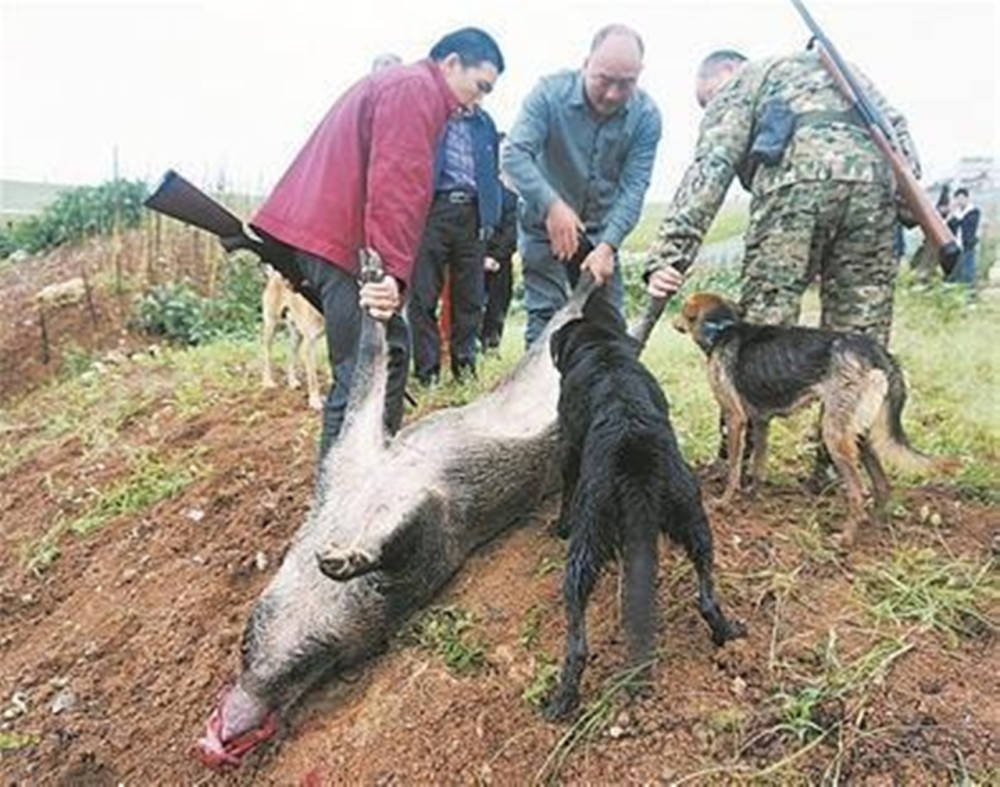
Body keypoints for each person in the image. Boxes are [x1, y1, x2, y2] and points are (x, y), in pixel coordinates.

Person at [644, 47, 921, 484]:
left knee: (760, 332)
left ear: (726, 72)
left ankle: (742, 456)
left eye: (708, 100)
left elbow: (712, 165)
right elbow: (899, 134)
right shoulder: (852, 69)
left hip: (795, 185)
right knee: (859, 338)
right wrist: (907, 198)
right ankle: (836, 465)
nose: (710, 110)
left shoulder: (747, 78)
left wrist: (668, 255)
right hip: (873, 186)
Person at [250, 28, 505, 461]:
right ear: (451, 64)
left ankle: (374, 469)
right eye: (479, 86)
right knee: (364, 371)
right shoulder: (415, 91)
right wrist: (388, 274)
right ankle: (340, 500)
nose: (478, 100)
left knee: (393, 351)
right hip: (335, 238)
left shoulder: (407, 87)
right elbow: (397, 187)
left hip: (328, 234)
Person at [503, 24, 662, 348]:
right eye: (604, 80)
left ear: (639, 74)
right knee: (546, 316)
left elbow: (634, 188)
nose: (613, 94)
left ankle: (608, 396)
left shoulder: (646, 116)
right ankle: (539, 397)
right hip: (543, 225)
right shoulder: (548, 94)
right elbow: (513, 154)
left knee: (608, 323)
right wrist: (552, 205)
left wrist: (608, 246)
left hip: (602, 231)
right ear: (586, 63)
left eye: (626, 83)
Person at [407, 93, 502, 384]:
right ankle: (427, 372)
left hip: (473, 214)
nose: (477, 95)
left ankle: (465, 367)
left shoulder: (485, 123)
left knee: (470, 297)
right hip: (434, 210)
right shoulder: (432, 116)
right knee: (423, 295)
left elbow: (492, 171)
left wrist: (490, 215)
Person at [481, 174, 519, 350]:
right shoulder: (475, 193)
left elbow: (512, 232)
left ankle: (492, 346)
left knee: (497, 307)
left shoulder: (510, 197)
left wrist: (495, 257)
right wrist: (481, 257)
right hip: (473, 259)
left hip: (500, 261)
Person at [947, 187, 981, 293]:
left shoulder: (974, 211)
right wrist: (951, 215)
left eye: (962, 198)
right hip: (957, 246)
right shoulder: (956, 213)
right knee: (957, 272)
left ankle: (969, 296)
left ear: (967, 198)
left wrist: (955, 217)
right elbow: (949, 226)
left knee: (968, 272)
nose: (960, 201)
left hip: (968, 246)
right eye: (958, 199)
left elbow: (967, 224)